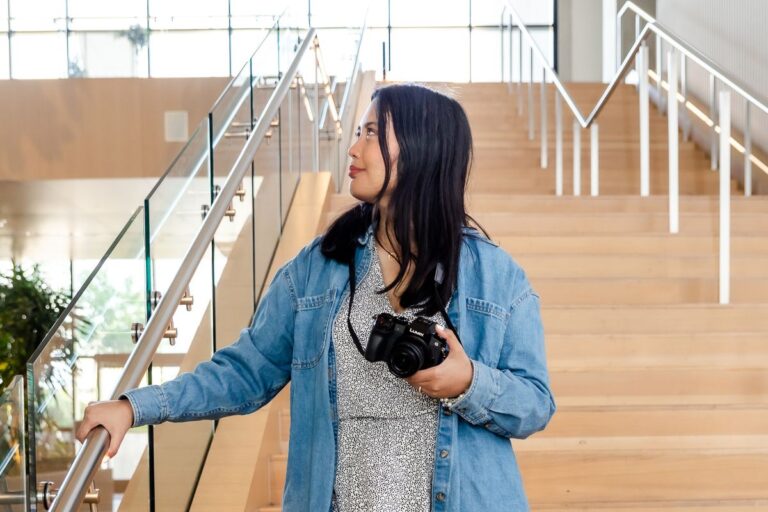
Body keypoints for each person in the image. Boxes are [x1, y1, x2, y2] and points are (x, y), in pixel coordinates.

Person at [77, 83, 556, 511]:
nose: (353, 147)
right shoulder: (317, 270)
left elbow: (535, 404)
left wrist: (467, 381)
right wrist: (134, 406)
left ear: (420, 148)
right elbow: (244, 372)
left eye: (371, 133)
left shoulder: (495, 278)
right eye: (358, 132)